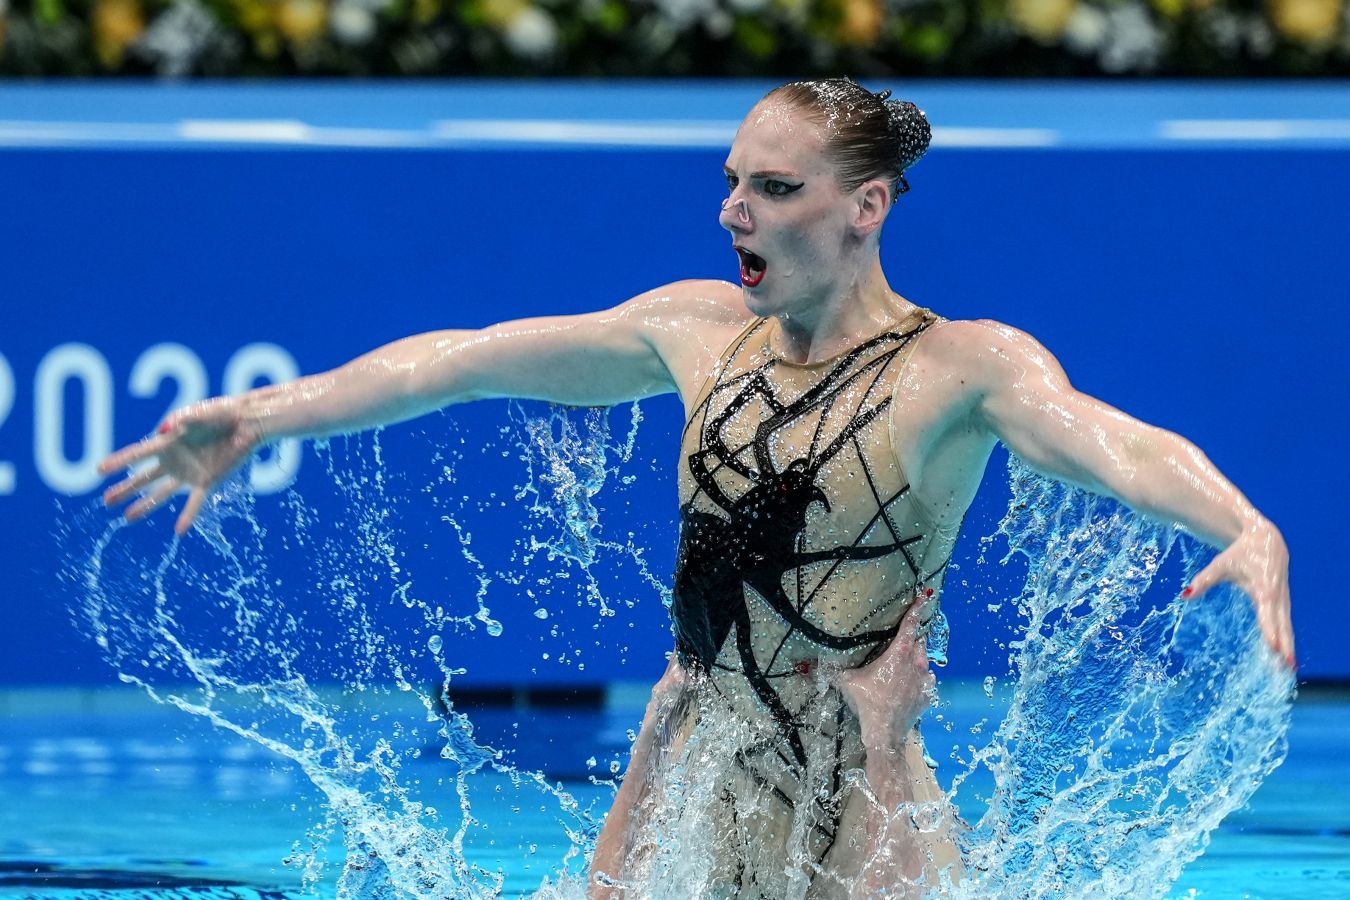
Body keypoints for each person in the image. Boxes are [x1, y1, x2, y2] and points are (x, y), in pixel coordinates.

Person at [99, 78, 1294, 899]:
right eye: (732, 181)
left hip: (862, 782)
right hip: (689, 765)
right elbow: (457, 363)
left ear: (866, 208)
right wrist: (263, 414)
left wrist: (1245, 525)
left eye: (776, 189)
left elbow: (1115, 447)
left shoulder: (959, 370)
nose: (735, 209)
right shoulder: (695, 332)